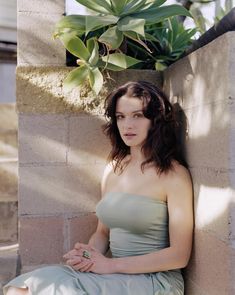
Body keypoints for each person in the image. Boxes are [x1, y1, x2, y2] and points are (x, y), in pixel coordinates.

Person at [4, 81, 193, 295]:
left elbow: (180, 255)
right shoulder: (113, 168)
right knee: (20, 288)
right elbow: (102, 232)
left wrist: (109, 265)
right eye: (121, 116)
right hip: (114, 273)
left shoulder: (173, 175)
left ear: (155, 120)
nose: (127, 125)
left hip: (154, 280)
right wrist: (88, 256)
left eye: (137, 115)